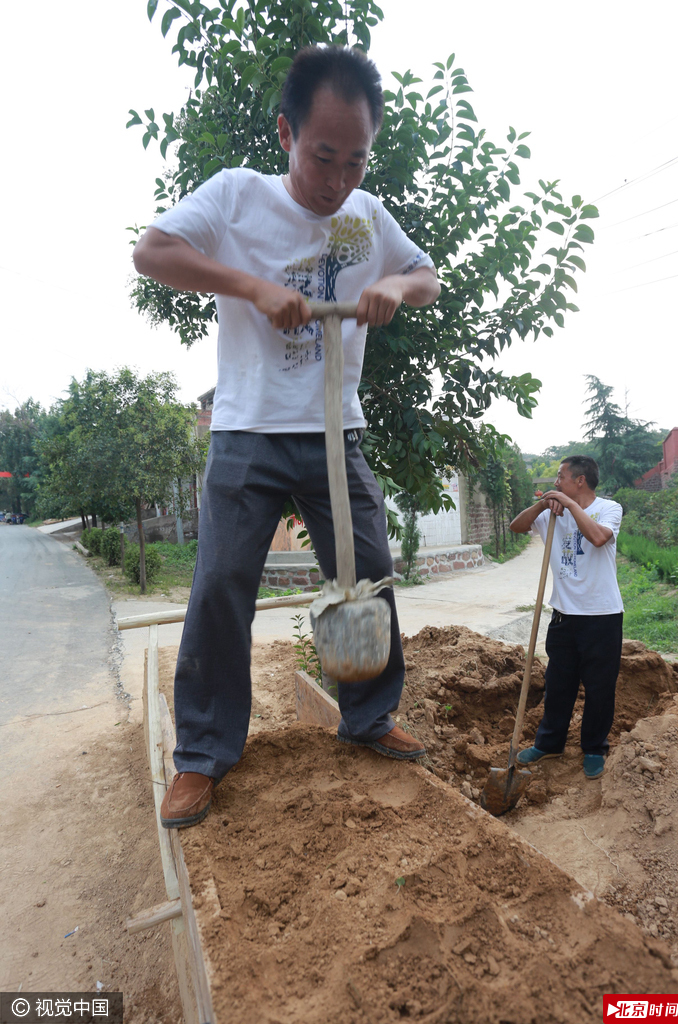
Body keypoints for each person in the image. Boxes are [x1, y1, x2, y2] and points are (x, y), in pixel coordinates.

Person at [133, 46, 440, 828]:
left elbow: (426, 274)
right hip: (249, 431)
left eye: (355, 159)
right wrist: (253, 287)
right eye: (322, 156)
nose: (337, 179)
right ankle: (202, 756)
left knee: (368, 573)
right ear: (285, 134)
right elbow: (153, 251)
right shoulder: (238, 196)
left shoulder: (366, 216)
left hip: (337, 433)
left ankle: (367, 717)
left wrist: (392, 287)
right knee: (221, 588)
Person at [509, 456, 623, 779]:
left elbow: (599, 538)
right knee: (558, 684)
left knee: (600, 688)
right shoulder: (552, 516)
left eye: (560, 478)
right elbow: (516, 527)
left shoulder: (609, 509)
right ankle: (549, 744)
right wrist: (542, 507)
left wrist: (571, 507)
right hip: (563, 617)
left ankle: (594, 747)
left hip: (602, 616)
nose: (555, 483)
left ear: (580, 481)